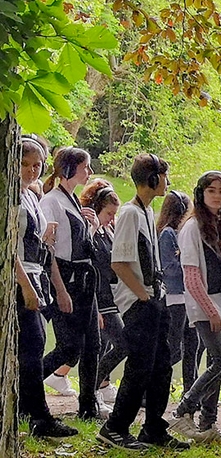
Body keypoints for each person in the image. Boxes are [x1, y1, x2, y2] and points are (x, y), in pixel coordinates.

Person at [97, 154, 189, 450]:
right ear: (152, 179)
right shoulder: (129, 214)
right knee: (139, 367)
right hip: (140, 303)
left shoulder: (147, 212)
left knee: (161, 366)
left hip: (154, 299)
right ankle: (115, 427)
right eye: (164, 175)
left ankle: (153, 428)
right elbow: (119, 263)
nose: (168, 182)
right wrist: (143, 295)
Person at [170, 171, 221, 443]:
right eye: (212, 191)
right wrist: (210, 311)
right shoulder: (192, 227)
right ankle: (183, 410)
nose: (218, 197)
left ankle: (208, 424)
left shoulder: (218, 225)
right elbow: (191, 276)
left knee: (216, 362)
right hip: (204, 306)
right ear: (201, 193)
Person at [15, 136, 77, 439]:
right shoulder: (12, 197)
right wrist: (26, 287)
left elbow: (38, 244)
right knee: (32, 344)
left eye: (37, 165)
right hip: (21, 278)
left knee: (35, 344)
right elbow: (8, 250)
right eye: (25, 165)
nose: (31, 171)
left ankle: (28, 409)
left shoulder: (31, 195)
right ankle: (39, 415)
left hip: (38, 274)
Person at [39, 147, 104, 420]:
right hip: (65, 279)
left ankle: (88, 405)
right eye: (85, 166)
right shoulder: (52, 201)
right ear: (69, 168)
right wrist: (61, 290)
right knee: (69, 347)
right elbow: (50, 250)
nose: (89, 172)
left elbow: (80, 245)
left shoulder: (74, 200)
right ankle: (24, 385)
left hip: (84, 279)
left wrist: (93, 226)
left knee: (94, 345)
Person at [80, 179, 124, 410]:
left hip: (112, 297)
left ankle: (94, 392)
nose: (111, 218)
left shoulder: (108, 230)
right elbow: (89, 262)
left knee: (105, 347)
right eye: (109, 213)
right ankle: (91, 389)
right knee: (123, 343)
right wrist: (94, 307)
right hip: (100, 298)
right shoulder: (92, 229)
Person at [157, 190, 200, 394]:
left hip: (188, 296)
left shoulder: (182, 234)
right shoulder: (167, 234)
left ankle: (190, 391)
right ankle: (153, 383)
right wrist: (190, 266)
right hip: (175, 297)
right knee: (174, 347)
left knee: (192, 345)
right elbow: (169, 267)